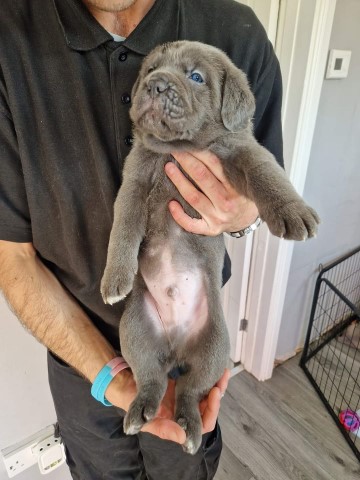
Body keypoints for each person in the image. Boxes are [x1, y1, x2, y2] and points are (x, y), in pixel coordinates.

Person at [0, 0, 283, 478]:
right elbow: (14, 261)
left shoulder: (237, 34)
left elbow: (259, 190)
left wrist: (241, 215)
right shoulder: (10, 40)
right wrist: (112, 378)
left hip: (191, 339)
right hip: (82, 366)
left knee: (188, 469)